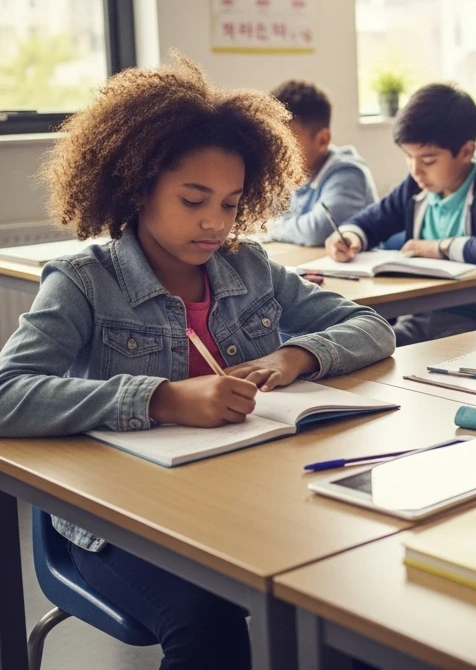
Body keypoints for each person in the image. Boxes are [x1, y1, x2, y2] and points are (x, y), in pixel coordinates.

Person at [0, 55, 396, 670]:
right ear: (136, 187)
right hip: (113, 524)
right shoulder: (84, 283)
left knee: (353, 591)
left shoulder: (249, 268)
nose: (216, 222)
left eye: (233, 204)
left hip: (241, 495)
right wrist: (160, 398)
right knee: (206, 627)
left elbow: (372, 326)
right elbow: (8, 394)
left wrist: (294, 355)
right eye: (193, 200)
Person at [327, 82, 476, 345]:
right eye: (409, 157)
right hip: (415, 320)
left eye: (429, 160)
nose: (416, 170)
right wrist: (350, 236)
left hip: (474, 330)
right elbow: (372, 220)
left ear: (466, 151)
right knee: (353, 347)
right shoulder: (417, 187)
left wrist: (440, 247)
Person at [266, 79, 378, 246]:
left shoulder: (348, 173)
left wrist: (272, 228)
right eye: (272, 140)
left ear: (322, 140)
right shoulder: (289, 173)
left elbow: (318, 231)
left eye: (286, 143)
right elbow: (263, 215)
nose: (275, 151)